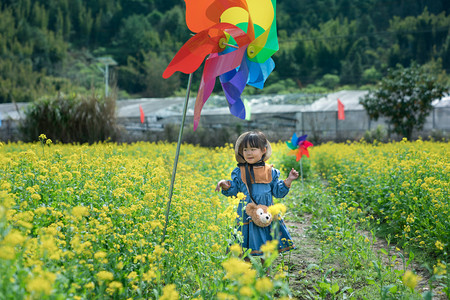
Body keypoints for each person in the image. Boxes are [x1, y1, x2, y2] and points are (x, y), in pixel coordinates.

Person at [215, 130, 299, 259]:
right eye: (245, 150)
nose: (249, 153)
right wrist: (226, 185)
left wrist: (289, 180)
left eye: (253, 149)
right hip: (246, 215)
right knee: (245, 246)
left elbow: (278, 191)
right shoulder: (239, 172)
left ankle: (267, 274)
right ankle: (247, 273)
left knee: (267, 248)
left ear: (263, 150)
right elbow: (234, 190)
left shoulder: (270, 171)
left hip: (266, 213)